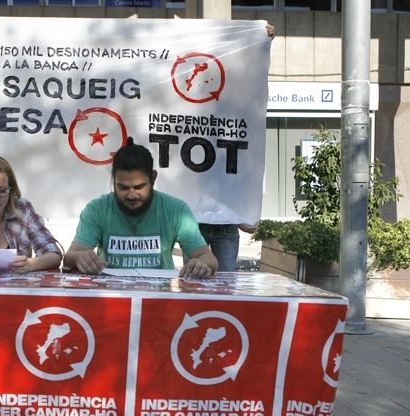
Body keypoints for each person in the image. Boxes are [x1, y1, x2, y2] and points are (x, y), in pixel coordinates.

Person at [63, 139, 218, 278]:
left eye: (138, 187)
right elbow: (71, 255)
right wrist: (80, 257)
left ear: (153, 178)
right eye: (123, 187)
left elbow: (208, 258)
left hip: (160, 298)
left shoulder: (176, 210)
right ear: (113, 181)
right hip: (110, 296)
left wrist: (201, 264)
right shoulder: (97, 208)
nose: (131, 195)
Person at [193, 24, 274, 272]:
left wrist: (260, 42)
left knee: (225, 282)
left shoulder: (238, 139)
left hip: (226, 225)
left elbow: (250, 78)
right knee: (191, 281)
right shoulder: (195, 135)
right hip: (195, 223)